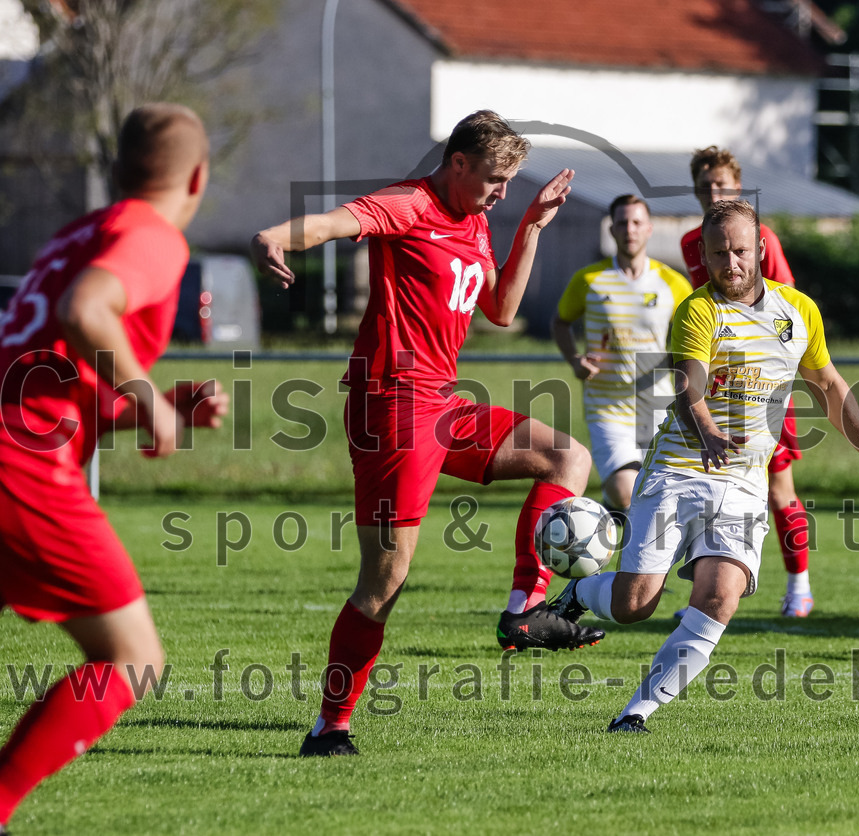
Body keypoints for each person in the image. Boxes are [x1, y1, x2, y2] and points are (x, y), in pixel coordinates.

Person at [250, 110, 603, 758]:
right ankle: (330, 727)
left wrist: (530, 227)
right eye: (494, 179)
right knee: (385, 579)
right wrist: (274, 235)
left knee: (566, 457)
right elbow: (331, 223)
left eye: (509, 183)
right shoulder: (410, 204)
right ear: (458, 163)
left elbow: (499, 309)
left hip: (439, 402)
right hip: (391, 405)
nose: (502, 192)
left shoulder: (476, 220)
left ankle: (524, 613)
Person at [551, 199, 859, 733]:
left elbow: (829, 385)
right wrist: (710, 432)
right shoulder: (698, 309)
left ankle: (634, 715)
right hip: (678, 469)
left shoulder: (798, 311)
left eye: (740, 251)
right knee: (635, 604)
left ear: (759, 249)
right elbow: (687, 386)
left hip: (743, 483)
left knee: (719, 598)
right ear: (705, 255)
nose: (730, 263)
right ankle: (578, 593)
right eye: (718, 254)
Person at [0, 103, 228, 831]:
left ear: (118, 168)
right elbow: (87, 309)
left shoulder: (77, 234)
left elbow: (53, 379)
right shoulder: (152, 236)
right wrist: (149, 402)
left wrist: (158, 406)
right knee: (131, 659)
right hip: (19, 463)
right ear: (198, 177)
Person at [680, 146, 814, 617]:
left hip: (762, 389)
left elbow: (788, 307)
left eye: (721, 185)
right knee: (703, 489)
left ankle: (799, 586)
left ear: (737, 187)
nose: (713, 192)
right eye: (705, 186)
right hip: (715, 391)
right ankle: (704, 595)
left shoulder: (763, 239)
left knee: (779, 490)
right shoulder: (690, 242)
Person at [552, 195, 691, 527]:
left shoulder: (673, 283)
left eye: (637, 222)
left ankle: (635, 554)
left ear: (649, 229)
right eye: (622, 223)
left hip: (656, 406)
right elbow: (560, 322)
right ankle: (612, 502)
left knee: (658, 497)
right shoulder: (589, 280)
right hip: (607, 406)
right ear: (612, 229)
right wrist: (575, 360)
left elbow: (693, 334)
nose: (630, 229)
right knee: (626, 490)